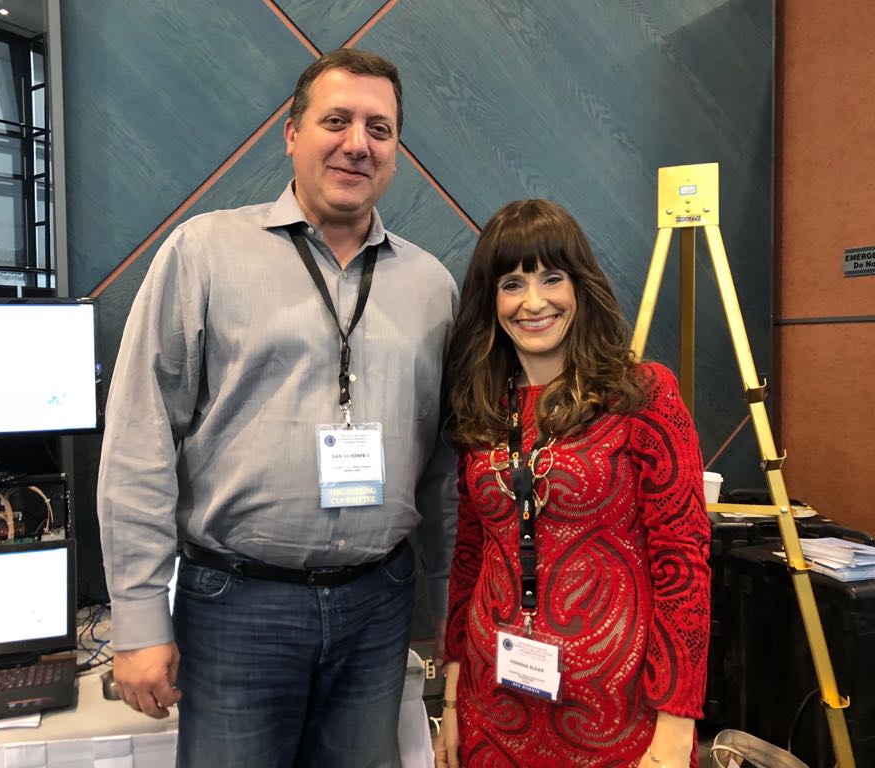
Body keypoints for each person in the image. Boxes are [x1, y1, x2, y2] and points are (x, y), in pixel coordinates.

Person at [97, 48, 458, 768]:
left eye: (379, 128)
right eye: (336, 120)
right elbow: (140, 440)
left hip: (379, 607)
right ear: (291, 134)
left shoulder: (431, 286)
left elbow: (445, 473)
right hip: (236, 606)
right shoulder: (204, 253)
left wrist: (455, 613)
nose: (358, 143)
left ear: (396, 150)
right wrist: (138, 618)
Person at [434, 199, 710, 768]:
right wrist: (453, 699)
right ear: (492, 300)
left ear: (580, 286)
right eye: (512, 284)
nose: (534, 302)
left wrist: (677, 723)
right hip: (492, 707)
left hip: (620, 718)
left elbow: (683, 563)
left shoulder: (642, 394)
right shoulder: (483, 406)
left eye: (552, 278)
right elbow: (469, 556)